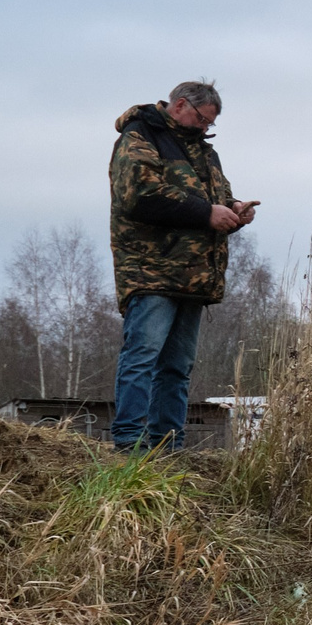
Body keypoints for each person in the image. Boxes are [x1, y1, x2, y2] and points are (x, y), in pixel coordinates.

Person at [107, 81, 255, 450]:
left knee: (177, 367)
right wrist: (207, 213)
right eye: (202, 120)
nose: (205, 129)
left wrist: (234, 210)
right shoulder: (140, 136)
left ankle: (168, 444)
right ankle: (129, 441)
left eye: (210, 125)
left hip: (194, 276)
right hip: (151, 270)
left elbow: (213, 199)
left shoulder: (206, 154)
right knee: (142, 357)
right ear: (180, 106)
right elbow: (140, 195)